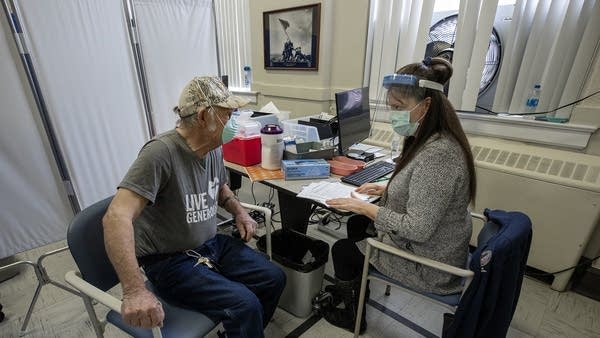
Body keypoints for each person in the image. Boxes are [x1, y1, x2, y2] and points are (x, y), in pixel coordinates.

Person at [103, 76, 286, 337]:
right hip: (170, 262)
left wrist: (239, 211)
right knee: (244, 304)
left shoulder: (212, 146)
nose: (234, 122)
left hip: (210, 244)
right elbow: (115, 216)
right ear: (203, 117)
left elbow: (219, 186)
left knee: (273, 278)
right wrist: (133, 290)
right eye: (229, 114)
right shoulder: (160, 153)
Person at [322, 57, 476, 333]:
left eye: (399, 108)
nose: (393, 114)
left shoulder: (439, 155)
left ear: (426, 105)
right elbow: (425, 192)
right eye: (391, 106)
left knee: (343, 249)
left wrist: (367, 208)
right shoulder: (434, 138)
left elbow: (418, 229)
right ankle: (360, 285)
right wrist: (387, 189)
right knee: (357, 225)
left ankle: (353, 317)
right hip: (437, 246)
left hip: (431, 266)